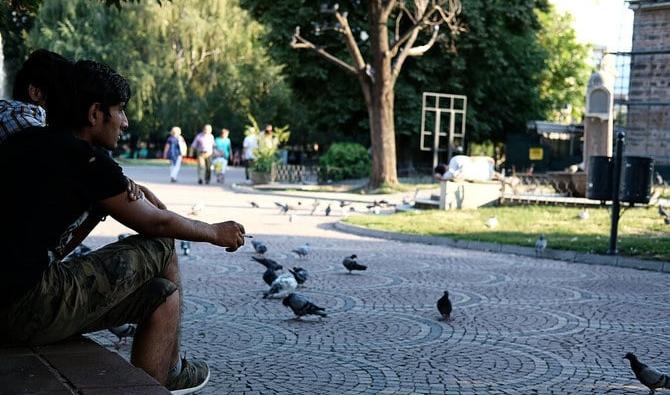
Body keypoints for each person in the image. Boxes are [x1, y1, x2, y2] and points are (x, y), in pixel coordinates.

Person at [0, 60, 246, 394]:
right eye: (120, 110)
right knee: (161, 244)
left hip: (12, 301)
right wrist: (216, 232)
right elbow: (156, 220)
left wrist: (99, 207)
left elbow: (49, 247)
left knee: (161, 294)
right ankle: (172, 371)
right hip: (24, 307)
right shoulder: (85, 160)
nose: (125, 122)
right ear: (94, 113)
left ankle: (157, 380)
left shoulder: (27, 144)